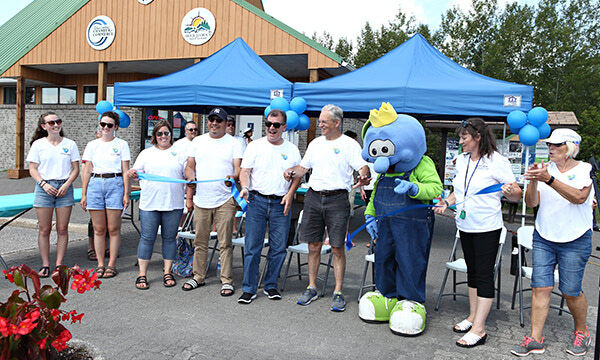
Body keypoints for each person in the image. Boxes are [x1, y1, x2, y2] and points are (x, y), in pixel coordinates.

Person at [434, 118, 521, 347]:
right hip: (466, 226)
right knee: (472, 272)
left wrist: (510, 191)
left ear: (478, 137)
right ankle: (472, 317)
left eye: (464, 138)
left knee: (483, 275)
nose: (460, 141)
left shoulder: (496, 161)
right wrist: (446, 202)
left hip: (486, 228)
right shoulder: (461, 161)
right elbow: (457, 191)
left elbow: (516, 194)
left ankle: (480, 330)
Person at [512, 129, 593, 357]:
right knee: (540, 287)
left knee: (570, 289)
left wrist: (548, 179)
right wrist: (535, 182)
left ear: (570, 146)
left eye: (557, 145)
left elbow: (579, 198)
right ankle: (535, 339)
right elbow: (531, 202)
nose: (551, 148)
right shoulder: (545, 169)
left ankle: (582, 332)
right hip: (544, 236)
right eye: (549, 144)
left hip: (575, 238)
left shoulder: (585, 169)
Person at [285, 104, 370, 312]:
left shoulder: (349, 144)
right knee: (313, 245)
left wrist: (364, 175)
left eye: (324, 121)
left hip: (338, 199)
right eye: (320, 121)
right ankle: (312, 287)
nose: (320, 124)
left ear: (336, 123)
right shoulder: (315, 144)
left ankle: (338, 292)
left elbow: (363, 167)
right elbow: (303, 168)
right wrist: (290, 172)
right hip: (314, 197)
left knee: (338, 247)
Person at [237, 109, 302, 304]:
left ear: (284, 127)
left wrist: (290, 194)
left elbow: (298, 175)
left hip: (281, 202)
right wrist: (245, 188)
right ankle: (249, 288)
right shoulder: (255, 146)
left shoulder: (291, 149)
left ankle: (271, 285)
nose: (271, 128)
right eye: (268, 124)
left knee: (279, 247)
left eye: (276, 125)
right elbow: (244, 171)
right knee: (252, 247)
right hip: (256, 200)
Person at [182, 107, 242, 296]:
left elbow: (238, 170)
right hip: (202, 199)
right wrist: (190, 178)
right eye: (211, 120)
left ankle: (226, 280)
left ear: (226, 124)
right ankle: (198, 276)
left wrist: (232, 177)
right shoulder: (198, 141)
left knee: (225, 242)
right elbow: (190, 166)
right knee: (200, 241)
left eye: (218, 120)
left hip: (225, 198)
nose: (214, 123)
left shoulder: (234, 143)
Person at [128, 120, 187, 290]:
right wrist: (132, 174)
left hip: (173, 203)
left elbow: (188, 173)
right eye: (159, 133)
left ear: (172, 135)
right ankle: (142, 274)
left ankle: (167, 272)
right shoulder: (146, 154)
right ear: (154, 136)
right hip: (150, 203)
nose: (163, 136)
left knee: (170, 238)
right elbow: (135, 173)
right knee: (147, 238)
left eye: (166, 133)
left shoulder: (179, 153)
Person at [27, 112, 80, 278]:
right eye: (51, 123)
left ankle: (59, 264)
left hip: (64, 188)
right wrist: (43, 184)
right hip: (44, 188)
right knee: (44, 229)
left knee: (62, 229)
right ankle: (45, 264)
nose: (56, 125)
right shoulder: (38, 144)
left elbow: (76, 168)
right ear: (44, 126)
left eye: (58, 121)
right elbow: (33, 169)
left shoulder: (70, 144)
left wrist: (66, 184)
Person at [81, 111, 131, 279]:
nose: (106, 128)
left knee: (114, 228)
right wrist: (84, 194)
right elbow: (87, 170)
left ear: (116, 127)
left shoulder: (122, 144)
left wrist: (126, 192)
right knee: (99, 228)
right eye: (103, 124)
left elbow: (125, 171)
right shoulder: (92, 145)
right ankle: (100, 264)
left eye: (110, 125)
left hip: (114, 183)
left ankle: (112, 264)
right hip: (95, 184)